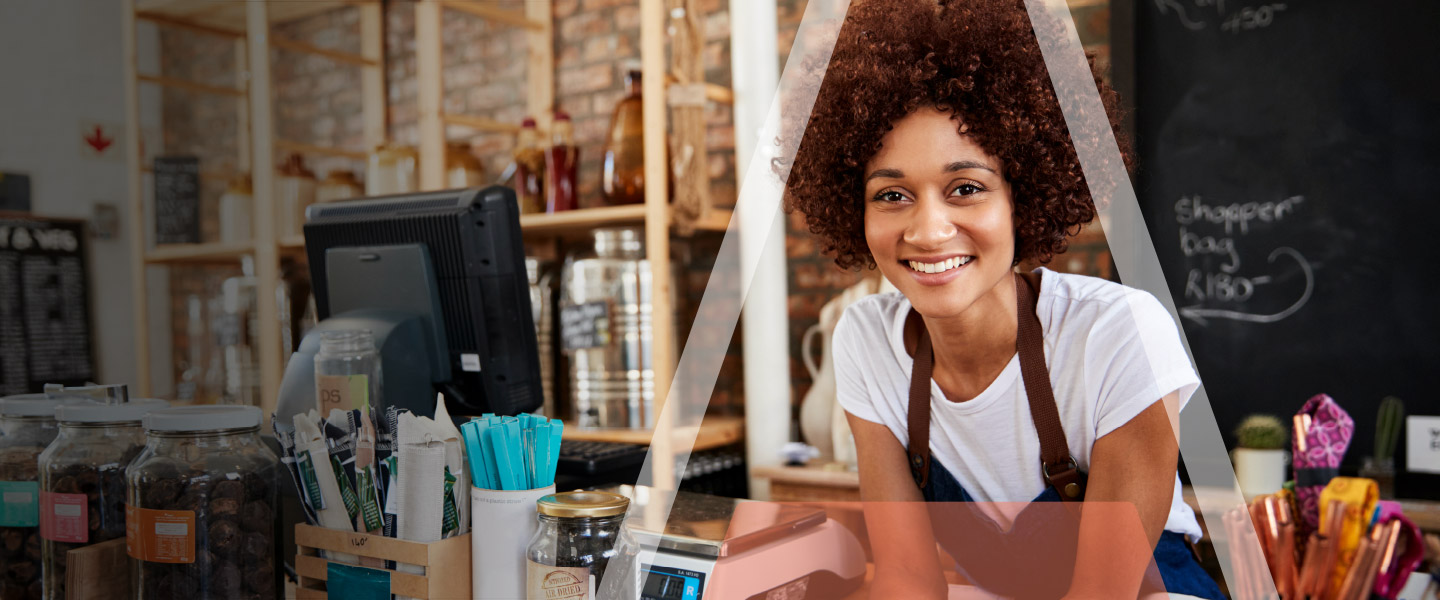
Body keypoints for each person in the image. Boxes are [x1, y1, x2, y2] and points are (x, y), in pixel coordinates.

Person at [776, 0, 1226, 598]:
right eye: (892, 195)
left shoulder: (1119, 335)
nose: (928, 230)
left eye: (966, 188)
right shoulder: (867, 342)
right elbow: (910, 580)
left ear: (1024, 198)